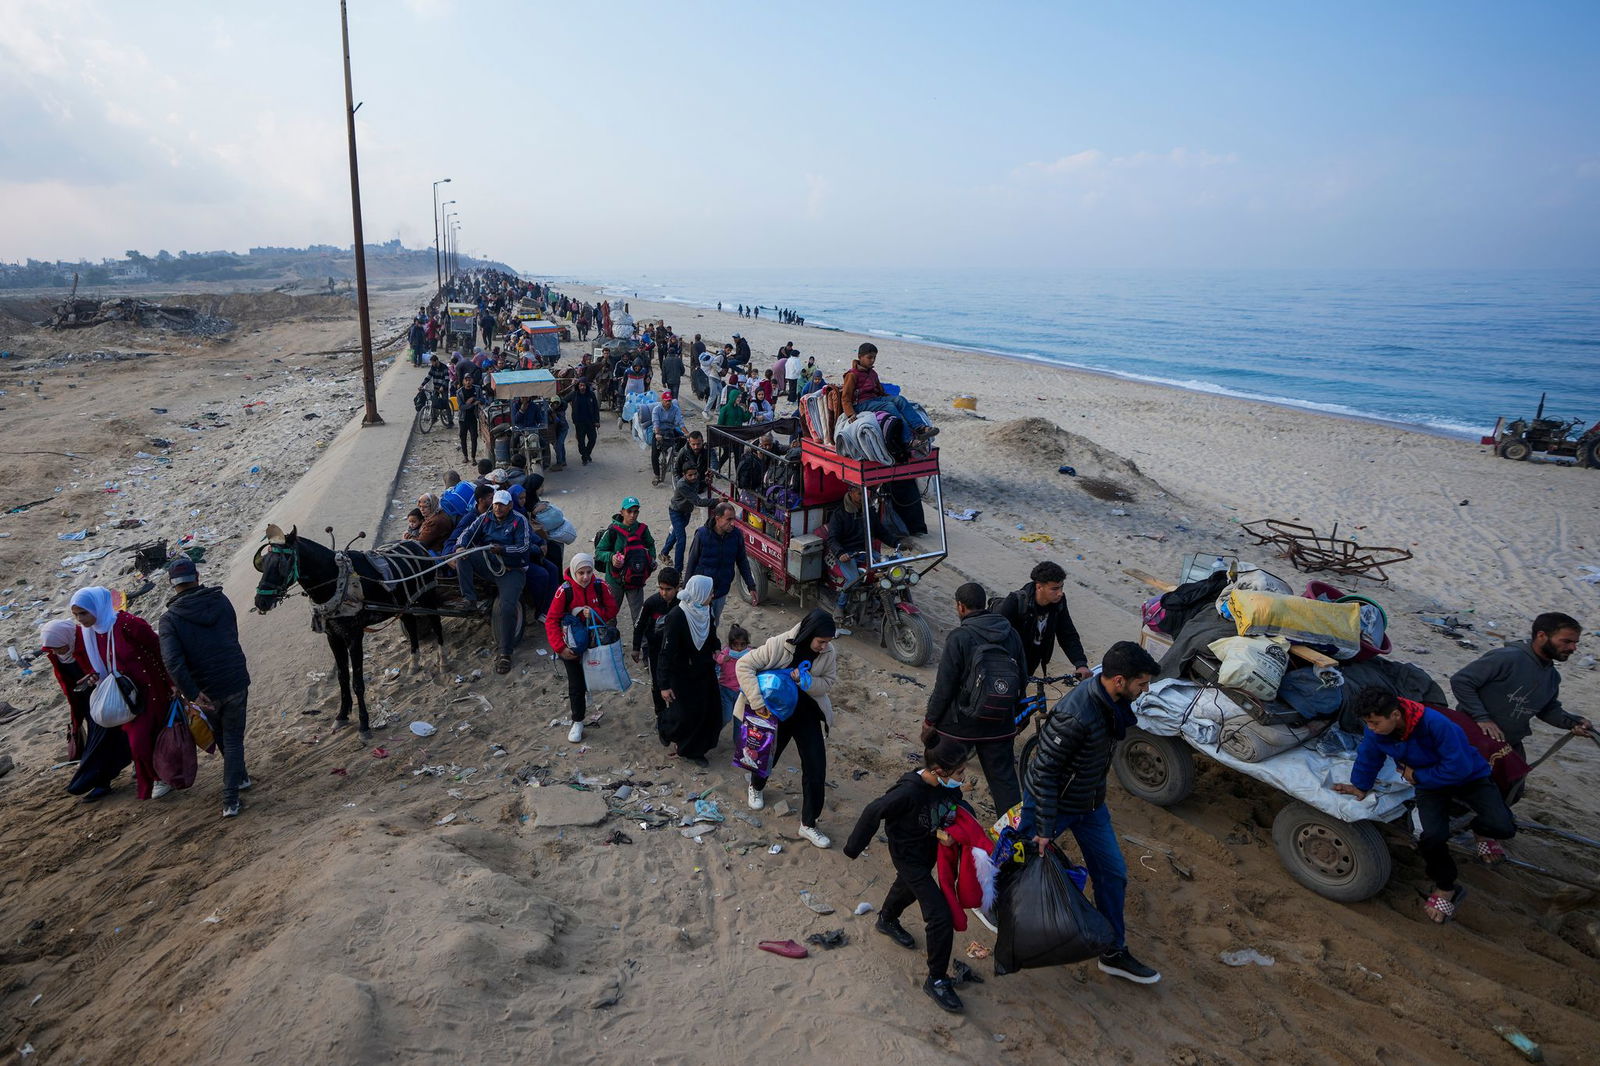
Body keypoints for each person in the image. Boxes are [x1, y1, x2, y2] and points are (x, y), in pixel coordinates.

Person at [1020, 640, 1163, 985]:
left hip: (1091, 806)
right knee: (1019, 863)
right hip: (1053, 807)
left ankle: (1113, 951)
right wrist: (1043, 827)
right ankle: (995, 907)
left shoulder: (1113, 703)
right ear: (1118, 681)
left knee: (1113, 874)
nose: (1145, 691)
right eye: (1141, 684)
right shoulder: (1075, 714)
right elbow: (1043, 772)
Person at [1334, 689, 1516, 922]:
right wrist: (1360, 785)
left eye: (1375, 723)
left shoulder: (1437, 725)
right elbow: (1369, 755)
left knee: (1503, 827)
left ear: (1395, 715)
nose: (1371, 729)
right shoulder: (1378, 731)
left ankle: (1481, 831)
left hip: (1469, 777)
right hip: (1430, 785)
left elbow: (1458, 768)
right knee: (1431, 837)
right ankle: (1445, 885)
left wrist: (1418, 776)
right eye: (1368, 723)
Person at [844, 736, 983, 1014]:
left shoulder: (946, 786)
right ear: (939, 772)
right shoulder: (908, 792)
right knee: (940, 915)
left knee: (906, 888)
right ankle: (937, 979)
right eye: (959, 774)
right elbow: (874, 810)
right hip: (908, 856)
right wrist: (853, 849)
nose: (962, 778)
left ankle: (887, 918)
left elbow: (953, 803)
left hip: (929, 849)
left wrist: (957, 832)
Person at [734, 609, 839, 848]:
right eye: (821, 642)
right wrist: (758, 703)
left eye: (828, 642)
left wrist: (806, 681)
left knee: (816, 767)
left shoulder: (828, 652)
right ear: (809, 634)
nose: (824, 647)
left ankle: (808, 824)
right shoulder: (780, 644)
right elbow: (744, 665)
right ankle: (756, 787)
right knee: (767, 755)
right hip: (774, 713)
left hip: (807, 714)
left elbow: (828, 683)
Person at [923, 582, 1028, 816]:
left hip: (959, 726)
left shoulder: (959, 637)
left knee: (942, 774)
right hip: (1000, 724)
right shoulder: (1011, 634)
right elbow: (1022, 677)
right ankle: (1013, 839)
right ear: (985, 604)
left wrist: (930, 722)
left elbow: (945, 686)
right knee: (1005, 784)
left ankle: (938, 823)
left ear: (960, 607)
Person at [157, 558, 252, 818]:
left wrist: (191, 691)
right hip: (234, 679)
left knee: (224, 737)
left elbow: (173, 661)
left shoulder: (169, 620)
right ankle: (235, 788)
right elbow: (232, 634)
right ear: (196, 576)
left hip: (204, 688)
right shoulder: (221, 601)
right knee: (231, 738)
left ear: (171, 584)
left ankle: (233, 793)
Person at [69, 586, 174, 801]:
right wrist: (94, 677)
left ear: (97, 607)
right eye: (76, 614)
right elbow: (102, 667)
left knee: (146, 737)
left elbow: (160, 649)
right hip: (125, 696)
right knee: (138, 742)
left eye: (83, 613)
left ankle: (163, 777)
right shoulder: (91, 633)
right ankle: (158, 776)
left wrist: (172, 682)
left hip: (150, 689)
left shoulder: (129, 624)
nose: (80, 619)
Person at [1449, 612, 1591, 755]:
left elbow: (1547, 710)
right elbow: (1461, 681)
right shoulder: (1507, 658)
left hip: (1508, 745)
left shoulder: (1552, 676)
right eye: (1566, 641)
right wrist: (1481, 718)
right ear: (1541, 636)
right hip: (1469, 738)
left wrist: (1574, 722)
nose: (1573, 648)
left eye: (1575, 643)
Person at [40, 618, 130, 801]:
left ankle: (90, 782)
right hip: (86, 704)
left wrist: (95, 676)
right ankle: (100, 782)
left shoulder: (87, 641)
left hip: (107, 697)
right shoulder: (57, 653)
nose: (57, 652)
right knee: (109, 741)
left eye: (59, 647)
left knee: (101, 743)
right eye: (53, 649)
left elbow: (110, 662)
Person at [454, 489, 534, 675]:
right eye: (496, 504)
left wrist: (503, 550)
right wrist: (460, 546)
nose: (498, 507)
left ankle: (505, 653)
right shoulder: (485, 518)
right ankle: (469, 599)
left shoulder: (519, 520)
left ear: (510, 505)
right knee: (463, 556)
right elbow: (467, 533)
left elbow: (523, 547)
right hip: (489, 562)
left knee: (507, 608)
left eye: (502, 504)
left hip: (511, 570)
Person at [544, 554, 621, 743]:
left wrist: (594, 612)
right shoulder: (564, 591)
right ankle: (577, 721)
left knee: (591, 676)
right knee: (576, 684)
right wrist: (560, 648)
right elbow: (552, 620)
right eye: (581, 573)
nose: (585, 577)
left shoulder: (600, 586)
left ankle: (587, 697)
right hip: (572, 647)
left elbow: (612, 609)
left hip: (595, 644)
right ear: (573, 571)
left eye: (588, 572)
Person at [657, 575, 725, 766]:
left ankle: (695, 750)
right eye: (709, 592)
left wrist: (717, 648)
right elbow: (666, 653)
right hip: (682, 674)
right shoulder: (677, 616)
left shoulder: (705, 610)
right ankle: (668, 729)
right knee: (685, 715)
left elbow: (711, 634)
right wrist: (664, 685)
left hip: (704, 671)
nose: (712, 596)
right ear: (699, 593)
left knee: (709, 712)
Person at [997, 561, 1092, 680]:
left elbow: (1067, 634)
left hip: (1033, 660)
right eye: (1054, 589)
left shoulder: (1059, 603)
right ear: (1039, 586)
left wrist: (1080, 663)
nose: (1060, 593)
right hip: (1008, 662)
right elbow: (997, 635)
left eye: (1062, 587)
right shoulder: (1016, 602)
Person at [841, 342, 938, 441]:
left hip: (874, 400)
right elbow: (845, 397)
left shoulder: (873, 373)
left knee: (900, 399)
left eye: (874, 358)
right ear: (860, 357)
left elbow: (880, 392)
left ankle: (920, 427)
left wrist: (892, 399)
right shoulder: (852, 375)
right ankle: (908, 439)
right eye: (869, 357)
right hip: (861, 403)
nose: (872, 360)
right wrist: (850, 413)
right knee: (889, 406)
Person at [685, 502, 759, 621]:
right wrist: (686, 589)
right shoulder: (702, 534)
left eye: (733, 519)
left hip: (721, 590)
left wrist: (751, 586)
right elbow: (692, 562)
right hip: (701, 593)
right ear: (717, 518)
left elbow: (742, 561)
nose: (732, 523)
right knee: (699, 623)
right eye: (728, 519)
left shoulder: (736, 536)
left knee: (714, 623)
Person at [595, 496, 658, 635]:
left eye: (636, 511)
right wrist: (611, 558)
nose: (632, 515)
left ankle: (642, 647)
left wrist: (651, 559)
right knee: (610, 616)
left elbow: (650, 545)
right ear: (622, 512)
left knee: (639, 617)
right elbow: (599, 552)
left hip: (636, 580)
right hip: (614, 581)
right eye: (629, 511)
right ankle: (611, 643)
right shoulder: (612, 531)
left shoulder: (642, 529)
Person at [633, 567, 681, 726]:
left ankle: (674, 712)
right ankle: (660, 714)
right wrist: (635, 647)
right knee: (657, 683)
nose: (664, 593)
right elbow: (639, 625)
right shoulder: (651, 603)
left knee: (674, 682)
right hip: (654, 650)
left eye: (668, 589)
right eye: (661, 588)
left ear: (677, 588)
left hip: (675, 652)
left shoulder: (682, 604)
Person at [663, 464, 714, 574]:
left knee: (676, 534)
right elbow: (698, 502)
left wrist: (705, 480)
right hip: (676, 512)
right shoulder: (682, 485)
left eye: (695, 474)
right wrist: (716, 501)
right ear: (684, 475)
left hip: (686, 512)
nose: (694, 477)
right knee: (681, 539)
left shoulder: (695, 478)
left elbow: (698, 484)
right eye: (690, 475)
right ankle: (678, 572)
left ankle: (664, 552)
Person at [713, 624, 751, 726]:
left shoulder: (750, 654)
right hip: (726, 690)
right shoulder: (726, 652)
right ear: (730, 645)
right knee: (726, 717)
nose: (739, 648)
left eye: (742, 644)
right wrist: (723, 658)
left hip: (742, 692)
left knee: (739, 720)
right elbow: (717, 659)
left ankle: (738, 741)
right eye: (736, 644)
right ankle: (713, 734)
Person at [650, 390, 687, 485]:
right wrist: (657, 434)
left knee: (684, 440)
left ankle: (675, 454)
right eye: (666, 401)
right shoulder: (656, 409)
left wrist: (687, 433)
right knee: (654, 454)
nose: (668, 403)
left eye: (669, 401)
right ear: (662, 400)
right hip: (659, 432)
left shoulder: (675, 409)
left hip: (670, 430)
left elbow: (680, 421)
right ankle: (657, 475)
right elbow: (656, 423)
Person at [569, 377, 601, 465]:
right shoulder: (574, 394)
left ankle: (587, 453)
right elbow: (564, 401)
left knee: (593, 439)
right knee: (581, 441)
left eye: (584, 385)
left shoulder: (591, 395)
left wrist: (597, 421)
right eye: (580, 385)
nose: (582, 387)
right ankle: (584, 457)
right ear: (578, 386)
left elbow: (595, 408)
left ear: (586, 386)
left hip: (590, 422)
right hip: (579, 423)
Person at [455, 375, 482, 463]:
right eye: (466, 380)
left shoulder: (477, 389)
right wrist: (472, 404)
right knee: (463, 437)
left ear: (472, 380)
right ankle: (465, 456)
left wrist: (475, 399)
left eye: (469, 380)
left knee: (474, 437)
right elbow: (461, 407)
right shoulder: (459, 392)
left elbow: (482, 399)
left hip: (473, 417)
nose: (468, 382)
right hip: (463, 418)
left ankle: (473, 457)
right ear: (463, 381)